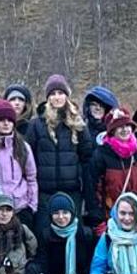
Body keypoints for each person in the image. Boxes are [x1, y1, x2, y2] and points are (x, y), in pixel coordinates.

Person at [26, 75, 91, 227]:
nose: (57, 97)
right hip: (44, 193)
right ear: (48, 97)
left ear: (67, 96)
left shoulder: (78, 123)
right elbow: (29, 158)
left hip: (72, 191)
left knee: (74, 237)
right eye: (53, 94)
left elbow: (87, 157)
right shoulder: (36, 124)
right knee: (44, 236)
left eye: (60, 93)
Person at [0, 99, 39, 226]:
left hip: (21, 208)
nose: (6, 123)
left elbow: (31, 178)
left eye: (10, 120)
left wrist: (32, 206)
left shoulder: (22, 147)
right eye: (1, 120)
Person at [90, 113, 137, 218]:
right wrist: (98, 217)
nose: (125, 129)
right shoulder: (101, 154)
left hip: (136, 214)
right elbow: (94, 188)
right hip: (110, 215)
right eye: (120, 127)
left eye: (127, 126)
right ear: (112, 131)